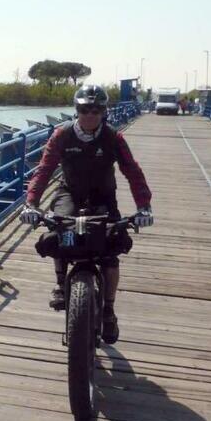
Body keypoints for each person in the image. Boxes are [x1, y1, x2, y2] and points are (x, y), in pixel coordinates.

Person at [20, 84, 153, 344]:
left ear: (104, 112)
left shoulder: (113, 138)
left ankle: (109, 309)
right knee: (59, 228)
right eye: (84, 110)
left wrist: (144, 206)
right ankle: (61, 284)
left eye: (96, 110)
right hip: (70, 191)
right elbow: (44, 170)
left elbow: (132, 171)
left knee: (111, 249)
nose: (90, 115)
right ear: (76, 110)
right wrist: (31, 204)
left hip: (103, 195)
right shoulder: (62, 135)